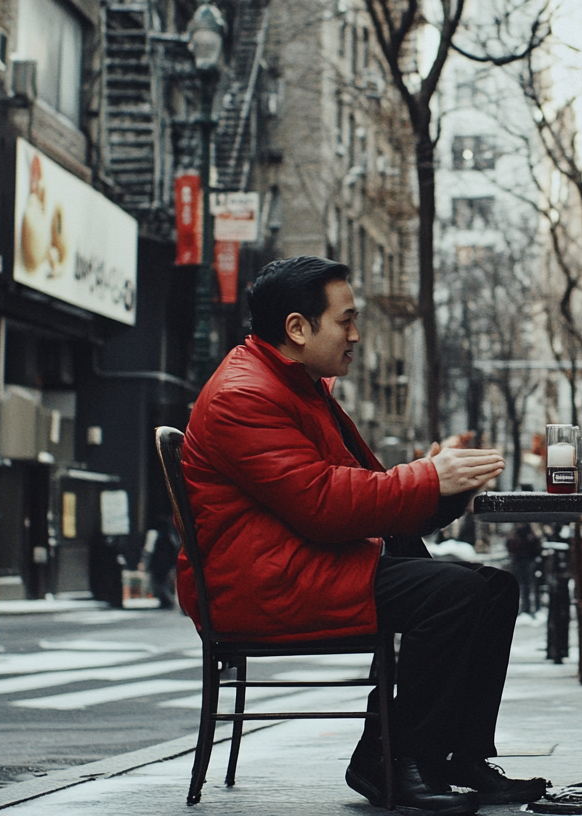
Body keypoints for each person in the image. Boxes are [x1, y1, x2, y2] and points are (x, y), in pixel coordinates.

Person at [179, 256, 545, 815]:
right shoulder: (244, 394)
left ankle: (459, 756)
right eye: (345, 320)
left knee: (495, 588)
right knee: (457, 596)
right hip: (262, 582)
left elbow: (359, 491)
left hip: (306, 564)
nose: (356, 334)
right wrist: (428, 478)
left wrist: (442, 488)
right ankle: (391, 759)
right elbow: (322, 503)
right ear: (297, 329)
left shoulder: (298, 384)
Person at [505, 523, 543, 615]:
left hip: (528, 562)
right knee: (521, 586)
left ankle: (532, 608)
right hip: (518, 562)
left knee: (530, 585)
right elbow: (509, 545)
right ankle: (525, 608)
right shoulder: (515, 534)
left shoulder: (531, 534)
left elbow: (536, 547)